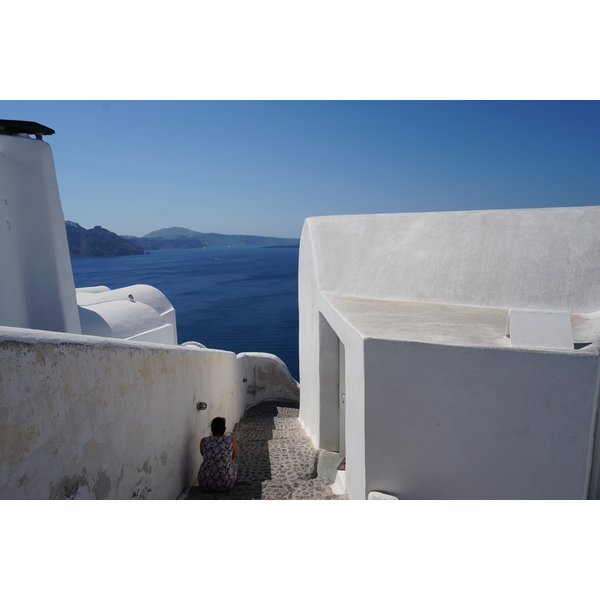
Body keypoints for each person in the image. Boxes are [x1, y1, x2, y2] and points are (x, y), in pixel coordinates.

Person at [198, 417, 238, 492]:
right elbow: (233, 457)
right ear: (224, 429)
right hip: (226, 484)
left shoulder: (204, 441)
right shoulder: (231, 440)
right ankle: (237, 481)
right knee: (234, 462)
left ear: (212, 429)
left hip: (205, 484)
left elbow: (203, 454)